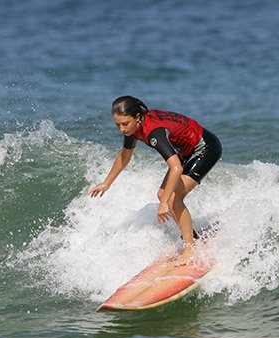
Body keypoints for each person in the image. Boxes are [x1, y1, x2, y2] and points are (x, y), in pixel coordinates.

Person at [88, 96, 222, 265]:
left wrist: (165, 202)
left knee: (172, 198)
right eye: (118, 125)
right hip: (186, 151)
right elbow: (125, 156)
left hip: (205, 149)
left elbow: (176, 168)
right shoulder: (132, 128)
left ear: (137, 117)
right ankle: (192, 237)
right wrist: (106, 183)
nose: (121, 129)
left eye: (124, 123)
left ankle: (190, 249)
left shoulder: (154, 132)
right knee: (162, 194)